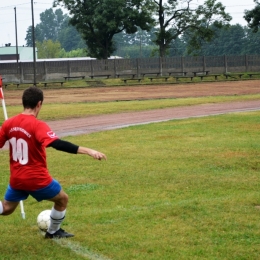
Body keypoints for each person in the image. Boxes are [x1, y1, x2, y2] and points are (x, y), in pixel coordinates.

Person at [0, 86, 107, 239]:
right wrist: (89, 151)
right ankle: (53, 232)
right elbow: (57, 144)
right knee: (62, 199)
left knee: (7, 208)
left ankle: (53, 231)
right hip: (36, 179)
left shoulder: (8, 123)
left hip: (17, 178)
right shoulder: (37, 125)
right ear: (39, 104)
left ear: (23, 102)